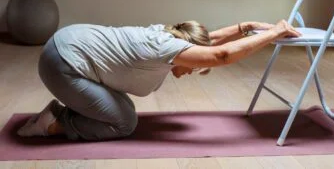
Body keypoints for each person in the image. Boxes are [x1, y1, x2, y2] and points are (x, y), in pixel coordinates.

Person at [17, 19, 300, 141]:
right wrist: (274, 33)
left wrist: (247, 27)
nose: (189, 71)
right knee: (124, 123)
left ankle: (64, 111)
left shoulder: (169, 35)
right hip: (61, 64)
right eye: (191, 65)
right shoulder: (165, 49)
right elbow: (221, 55)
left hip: (65, 43)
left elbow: (211, 41)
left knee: (124, 108)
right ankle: (51, 125)